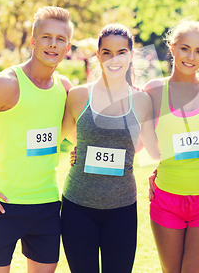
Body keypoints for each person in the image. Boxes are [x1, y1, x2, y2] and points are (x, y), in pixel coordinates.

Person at [0, 6, 74, 273]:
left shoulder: (65, 88)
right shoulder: (5, 84)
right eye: (46, 37)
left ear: (68, 47)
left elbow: (80, 135)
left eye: (60, 39)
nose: (53, 44)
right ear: (33, 41)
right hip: (4, 204)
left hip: (47, 205)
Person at [60, 23, 159, 273]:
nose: (114, 59)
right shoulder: (79, 95)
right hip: (77, 206)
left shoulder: (142, 100)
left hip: (122, 209)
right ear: (98, 54)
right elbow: (59, 136)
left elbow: (152, 151)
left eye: (121, 52)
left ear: (131, 55)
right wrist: (5, 140)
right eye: (107, 53)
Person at [144, 19, 199, 273]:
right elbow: (143, 144)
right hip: (167, 198)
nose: (191, 57)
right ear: (172, 48)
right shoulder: (154, 91)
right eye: (185, 49)